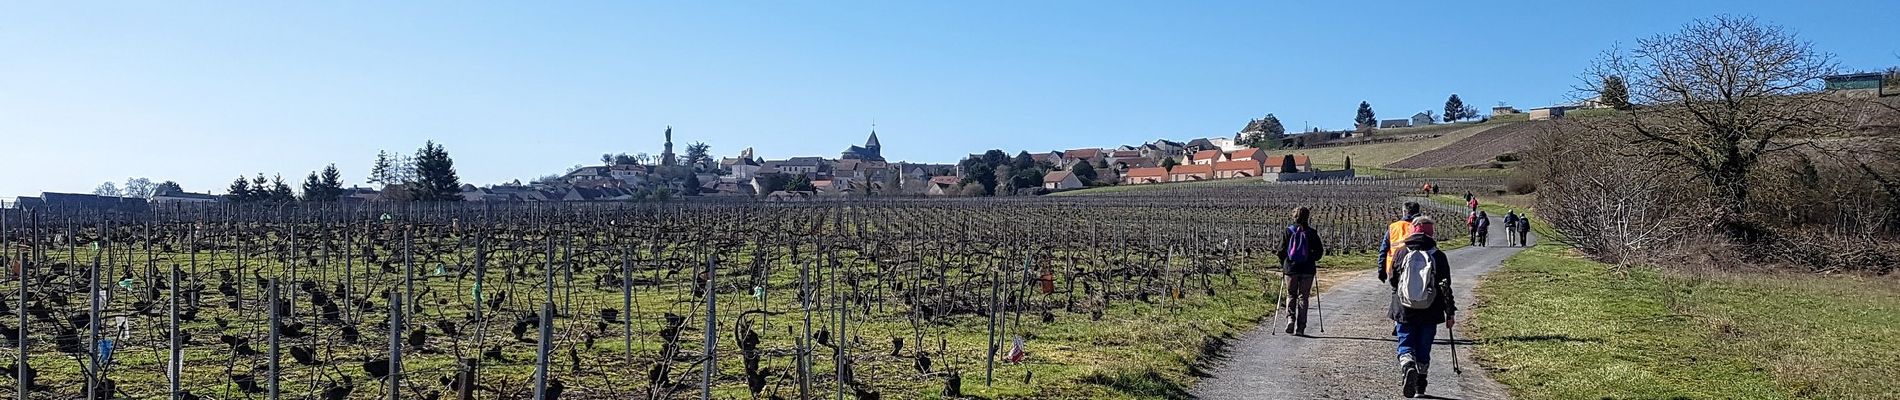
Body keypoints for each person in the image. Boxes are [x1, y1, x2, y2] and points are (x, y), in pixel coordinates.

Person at [1387, 216, 1455, 398]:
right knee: (1424, 347)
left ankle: (1408, 364)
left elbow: (1393, 280)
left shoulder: (1401, 252)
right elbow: (1445, 287)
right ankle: (1420, 387)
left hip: (1404, 308)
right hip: (1430, 310)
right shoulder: (1438, 256)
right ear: (1431, 233)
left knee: (1405, 343)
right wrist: (1450, 312)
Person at [1276, 206, 1325, 335]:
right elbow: (1319, 252)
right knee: (1304, 297)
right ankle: (1301, 328)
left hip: (1291, 269)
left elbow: (1280, 251)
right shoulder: (1312, 233)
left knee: (1291, 295)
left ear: (1294, 216)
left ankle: (1290, 319)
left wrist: (1284, 265)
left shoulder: (1288, 231)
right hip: (1308, 269)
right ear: (1307, 217)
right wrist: (1311, 258)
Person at [1376, 202, 1423, 283]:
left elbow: (1383, 250)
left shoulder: (1394, 227)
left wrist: (1381, 270)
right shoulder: (1421, 227)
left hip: (1394, 268)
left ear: (1404, 212)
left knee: (1396, 292)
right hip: (1418, 268)